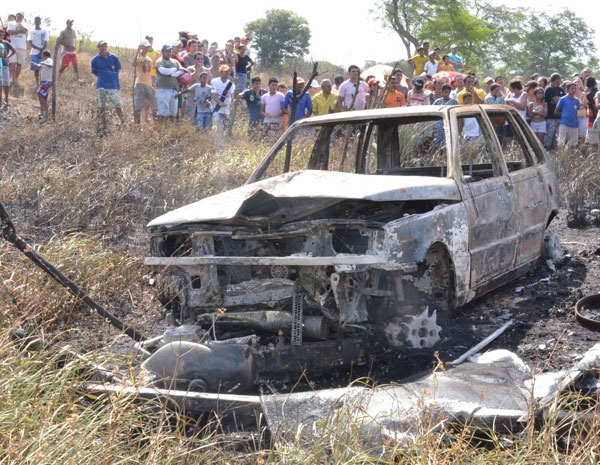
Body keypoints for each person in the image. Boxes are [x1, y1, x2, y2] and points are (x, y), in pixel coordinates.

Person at [91, 40, 126, 132]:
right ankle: (104, 124)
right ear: (98, 47)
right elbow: (95, 73)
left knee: (117, 104)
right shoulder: (95, 60)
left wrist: (111, 78)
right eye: (102, 46)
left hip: (113, 84)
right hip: (101, 84)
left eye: (105, 46)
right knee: (102, 104)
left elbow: (118, 70)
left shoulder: (114, 57)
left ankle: (124, 122)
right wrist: (103, 78)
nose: (104, 48)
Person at [155, 44, 185, 122]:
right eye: (166, 51)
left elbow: (182, 71)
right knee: (163, 112)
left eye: (170, 51)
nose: (169, 53)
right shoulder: (159, 61)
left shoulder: (175, 61)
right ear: (162, 52)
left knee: (172, 112)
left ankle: (170, 130)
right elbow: (163, 71)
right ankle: (161, 130)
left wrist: (172, 73)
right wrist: (174, 70)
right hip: (163, 89)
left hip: (174, 89)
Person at [132, 40, 157, 124]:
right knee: (139, 106)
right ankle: (137, 126)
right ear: (142, 47)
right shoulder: (139, 58)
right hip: (140, 84)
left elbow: (149, 73)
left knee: (155, 105)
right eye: (145, 47)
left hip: (148, 84)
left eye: (147, 47)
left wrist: (153, 85)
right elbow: (134, 64)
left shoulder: (149, 59)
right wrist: (137, 51)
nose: (147, 48)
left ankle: (156, 126)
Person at [211, 64, 235, 136]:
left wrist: (232, 103)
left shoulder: (231, 84)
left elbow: (232, 95)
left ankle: (224, 141)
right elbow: (213, 94)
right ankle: (218, 141)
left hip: (226, 109)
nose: (227, 73)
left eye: (228, 71)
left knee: (226, 126)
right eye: (225, 71)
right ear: (220, 72)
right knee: (219, 126)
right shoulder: (214, 81)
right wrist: (220, 102)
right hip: (217, 108)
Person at [554, 81, 580, 148]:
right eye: (572, 88)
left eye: (575, 88)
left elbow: (576, 111)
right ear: (567, 90)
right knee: (561, 144)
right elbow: (556, 111)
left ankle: (571, 157)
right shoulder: (563, 99)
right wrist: (564, 114)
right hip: (564, 123)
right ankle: (560, 157)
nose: (574, 90)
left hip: (574, 124)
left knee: (573, 145)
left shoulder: (577, 100)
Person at [544, 73, 565, 150]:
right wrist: (558, 99)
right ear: (556, 79)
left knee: (557, 137)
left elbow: (563, 101)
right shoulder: (548, 89)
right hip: (551, 117)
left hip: (559, 117)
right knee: (549, 135)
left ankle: (555, 155)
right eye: (560, 79)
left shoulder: (561, 89)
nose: (561, 81)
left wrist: (558, 99)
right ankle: (546, 152)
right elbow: (554, 100)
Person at [30, 50, 52, 119]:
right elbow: (39, 66)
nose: (41, 57)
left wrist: (44, 64)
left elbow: (51, 65)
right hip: (44, 82)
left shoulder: (49, 60)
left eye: (42, 55)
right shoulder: (43, 62)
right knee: (44, 97)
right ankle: (46, 112)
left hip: (47, 82)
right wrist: (34, 64)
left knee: (39, 93)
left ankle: (42, 110)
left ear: (44, 55)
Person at [28, 17, 49, 87]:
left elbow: (46, 42)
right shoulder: (31, 31)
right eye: (36, 20)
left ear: (40, 22)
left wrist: (41, 51)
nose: (37, 22)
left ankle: (42, 83)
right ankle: (37, 83)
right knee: (36, 69)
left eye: (38, 21)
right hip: (34, 53)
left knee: (43, 68)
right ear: (34, 22)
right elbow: (30, 43)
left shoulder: (44, 31)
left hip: (43, 53)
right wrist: (38, 49)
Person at [7, 12, 27, 85]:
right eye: (18, 15)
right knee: (12, 63)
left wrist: (20, 24)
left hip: (22, 47)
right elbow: (10, 32)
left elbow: (25, 31)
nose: (19, 17)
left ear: (22, 17)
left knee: (19, 64)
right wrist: (19, 31)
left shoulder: (24, 23)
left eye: (20, 16)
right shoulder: (11, 23)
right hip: (13, 46)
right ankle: (11, 79)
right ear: (16, 16)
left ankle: (15, 80)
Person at [0, 29, 16, 106]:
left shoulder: (6, 43)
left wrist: (7, 57)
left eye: (2, 35)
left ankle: (6, 99)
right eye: (0, 35)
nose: (1, 36)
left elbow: (14, 51)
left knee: (6, 83)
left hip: (5, 65)